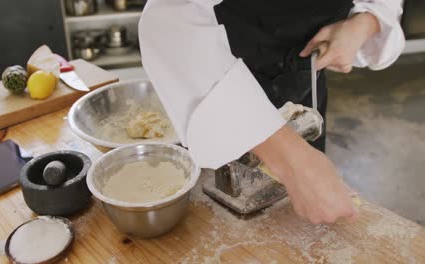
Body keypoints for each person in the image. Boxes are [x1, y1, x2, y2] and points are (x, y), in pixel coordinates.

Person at [139, 0, 405, 224]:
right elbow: (171, 23)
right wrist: (293, 162)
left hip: (304, 85)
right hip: (215, 98)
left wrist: (366, 22)